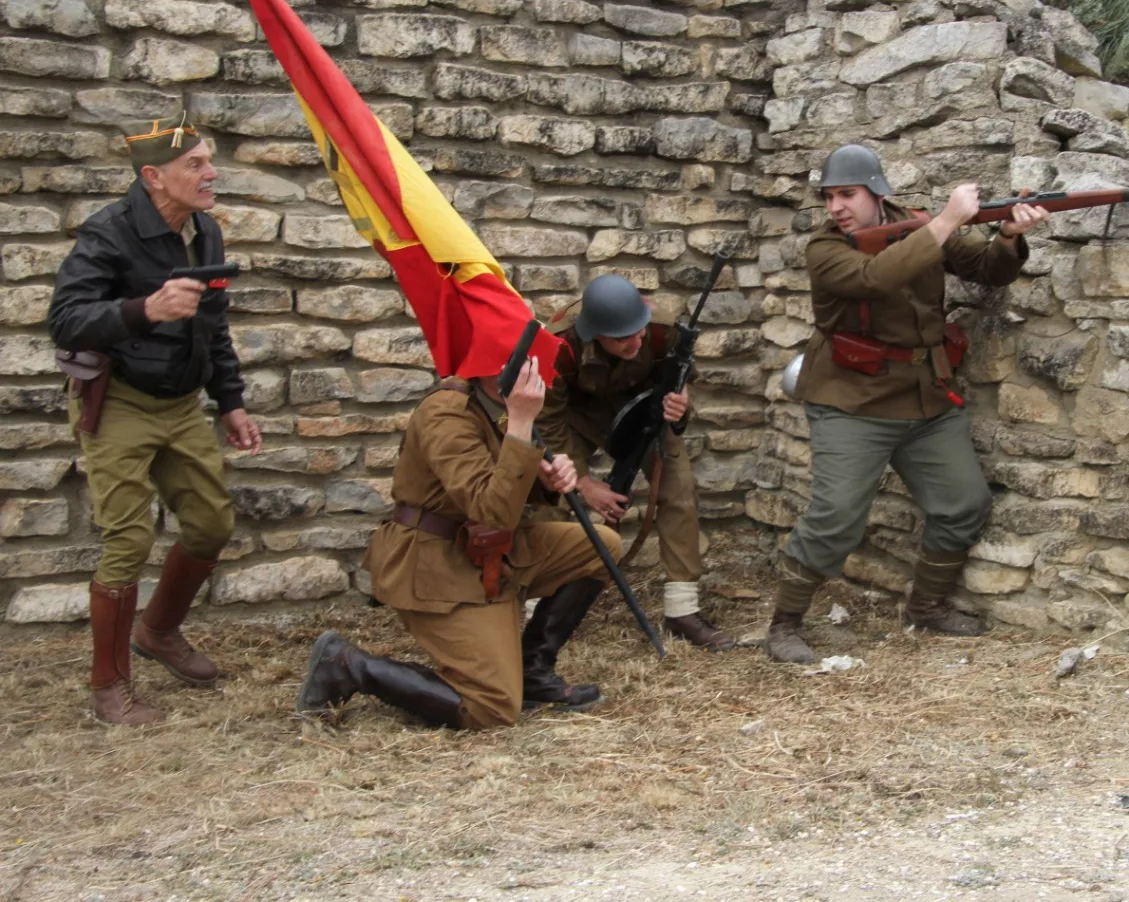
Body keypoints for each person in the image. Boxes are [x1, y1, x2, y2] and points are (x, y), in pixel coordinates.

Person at [767, 144, 1050, 664]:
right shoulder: (824, 249)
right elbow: (873, 279)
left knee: (964, 503)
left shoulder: (917, 223)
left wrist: (1008, 235)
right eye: (829, 196)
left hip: (925, 395)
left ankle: (927, 607)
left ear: (876, 192)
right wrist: (944, 222)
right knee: (836, 518)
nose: (836, 207)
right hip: (850, 399)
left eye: (846, 194)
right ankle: (785, 622)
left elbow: (988, 270)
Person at [48, 114, 263, 725]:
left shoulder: (206, 233)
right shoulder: (109, 233)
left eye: (209, 160)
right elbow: (66, 320)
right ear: (153, 176)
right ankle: (108, 688)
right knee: (129, 539)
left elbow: (213, 325)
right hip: (117, 401)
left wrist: (231, 401)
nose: (210, 172)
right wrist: (145, 308)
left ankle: (159, 632)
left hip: (181, 404)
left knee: (211, 524)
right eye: (195, 163)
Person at [297, 353, 625, 730]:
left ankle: (533, 672)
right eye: (520, 360)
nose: (532, 372)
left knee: (600, 546)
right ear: (494, 364)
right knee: (492, 707)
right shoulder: (446, 413)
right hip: (439, 563)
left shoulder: (498, 404)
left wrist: (545, 481)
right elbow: (490, 508)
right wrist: (520, 422)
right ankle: (350, 665)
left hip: (493, 549)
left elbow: (503, 487)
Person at [536, 274, 732, 650]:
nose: (635, 341)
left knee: (678, 486)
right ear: (595, 333)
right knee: (551, 493)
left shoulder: (663, 330)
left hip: (642, 414)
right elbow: (545, 421)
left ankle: (682, 609)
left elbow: (681, 376)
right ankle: (540, 609)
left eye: (638, 332)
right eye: (622, 337)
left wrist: (679, 402)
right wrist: (582, 482)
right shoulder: (559, 344)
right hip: (573, 420)